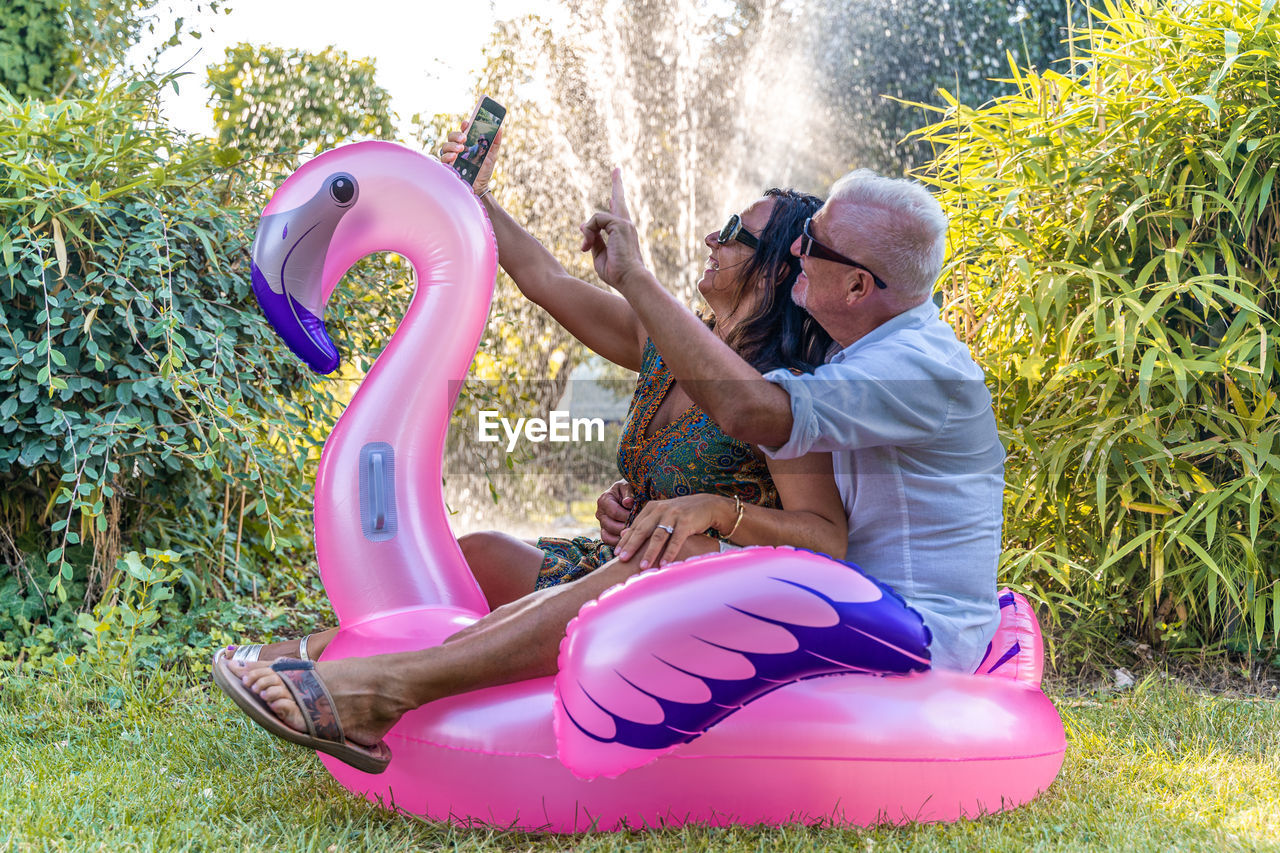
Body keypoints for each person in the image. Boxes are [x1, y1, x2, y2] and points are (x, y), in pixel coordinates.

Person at [215, 132, 852, 768]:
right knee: (481, 556)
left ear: (776, 269)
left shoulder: (777, 391)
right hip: (626, 562)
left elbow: (825, 538)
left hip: (698, 589)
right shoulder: (667, 344)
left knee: (670, 553)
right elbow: (543, 277)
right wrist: (470, 195)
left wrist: (714, 510)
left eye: (735, 231)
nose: (712, 238)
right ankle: (314, 653)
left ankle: (382, 688)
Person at [585, 168, 1004, 673]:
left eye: (812, 243)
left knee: (665, 559)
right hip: (850, 604)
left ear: (856, 285)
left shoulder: (912, 369)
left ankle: (461, 671)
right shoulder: (857, 351)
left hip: (911, 635)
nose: (796, 249)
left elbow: (748, 411)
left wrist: (635, 277)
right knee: (670, 555)